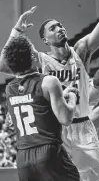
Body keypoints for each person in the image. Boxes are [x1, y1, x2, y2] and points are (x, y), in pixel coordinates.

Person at [0, 0, 99, 181]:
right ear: (44, 39)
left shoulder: (81, 50)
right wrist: (15, 31)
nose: (59, 28)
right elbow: (4, 64)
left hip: (82, 125)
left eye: (60, 25)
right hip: (57, 133)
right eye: (53, 28)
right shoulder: (40, 60)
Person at [3, 33, 80, 181]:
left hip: (23, 158)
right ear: (32, 57)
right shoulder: (49, 81)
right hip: (48, 153)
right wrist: (72, 98)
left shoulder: (9, 89)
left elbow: (12, 120)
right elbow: (65, 118)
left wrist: (59, 95)